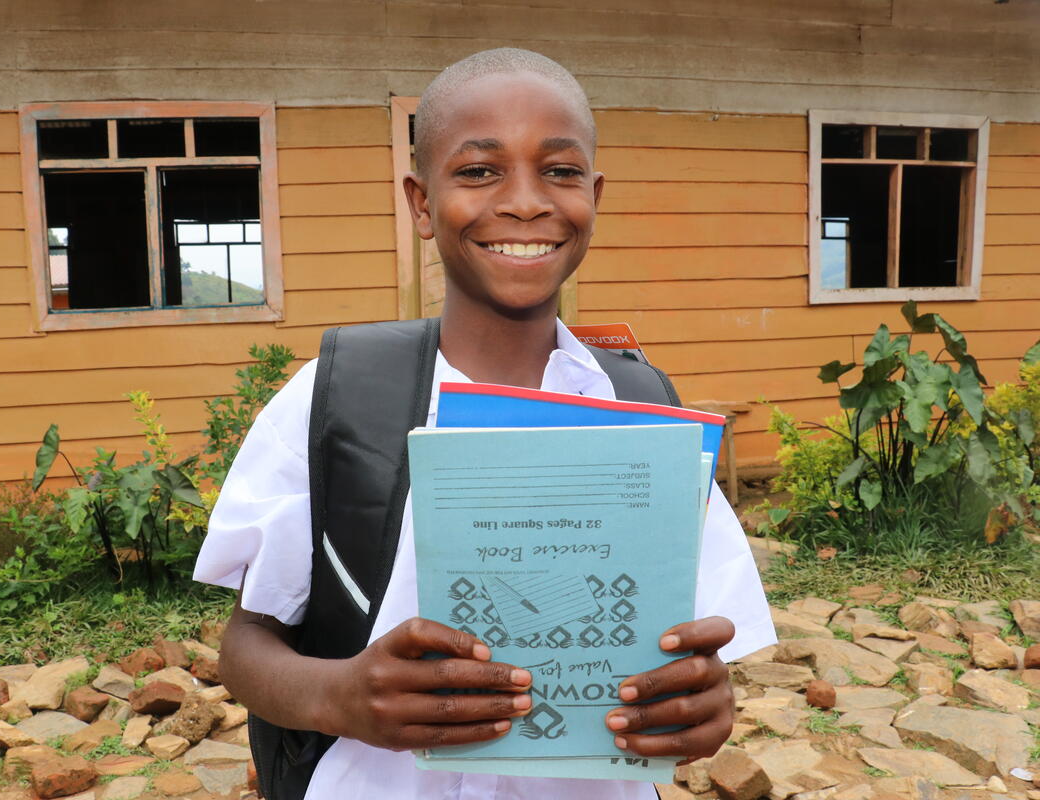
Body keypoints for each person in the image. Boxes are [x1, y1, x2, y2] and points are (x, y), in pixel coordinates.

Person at [194, 47, 775, 800]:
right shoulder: (332, 399)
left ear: (594, 194)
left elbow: (697, 655)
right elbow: (245, 647)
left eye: (560, 171)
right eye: (478, 171)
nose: (527, 202)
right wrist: (341, 696)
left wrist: (703, 707)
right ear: (422, 202)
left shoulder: (643, 415)